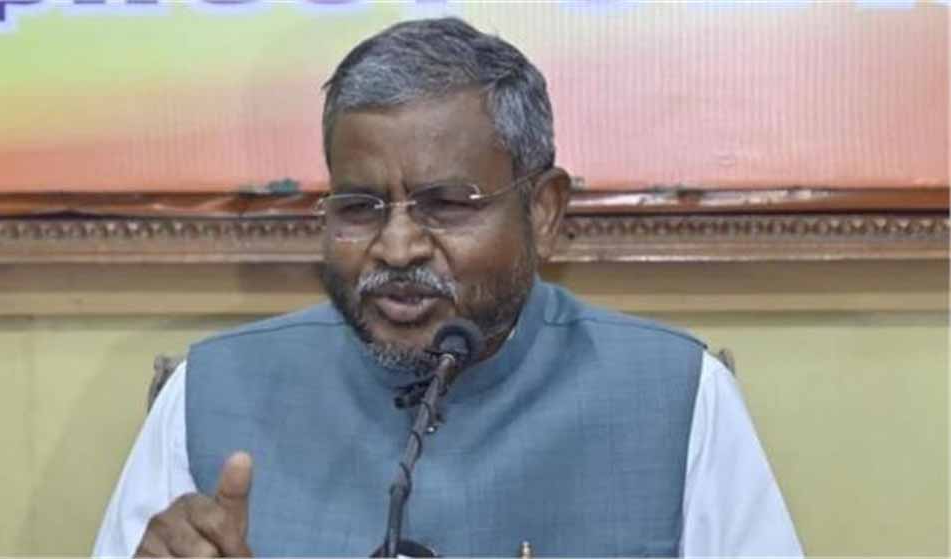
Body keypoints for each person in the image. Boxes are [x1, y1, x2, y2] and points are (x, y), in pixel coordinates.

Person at [94, 17, 802, 557]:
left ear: (544, 212)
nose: (397, 246)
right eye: (360, 207)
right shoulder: (212, 393)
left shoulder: (678, 396)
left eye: (447, 205)